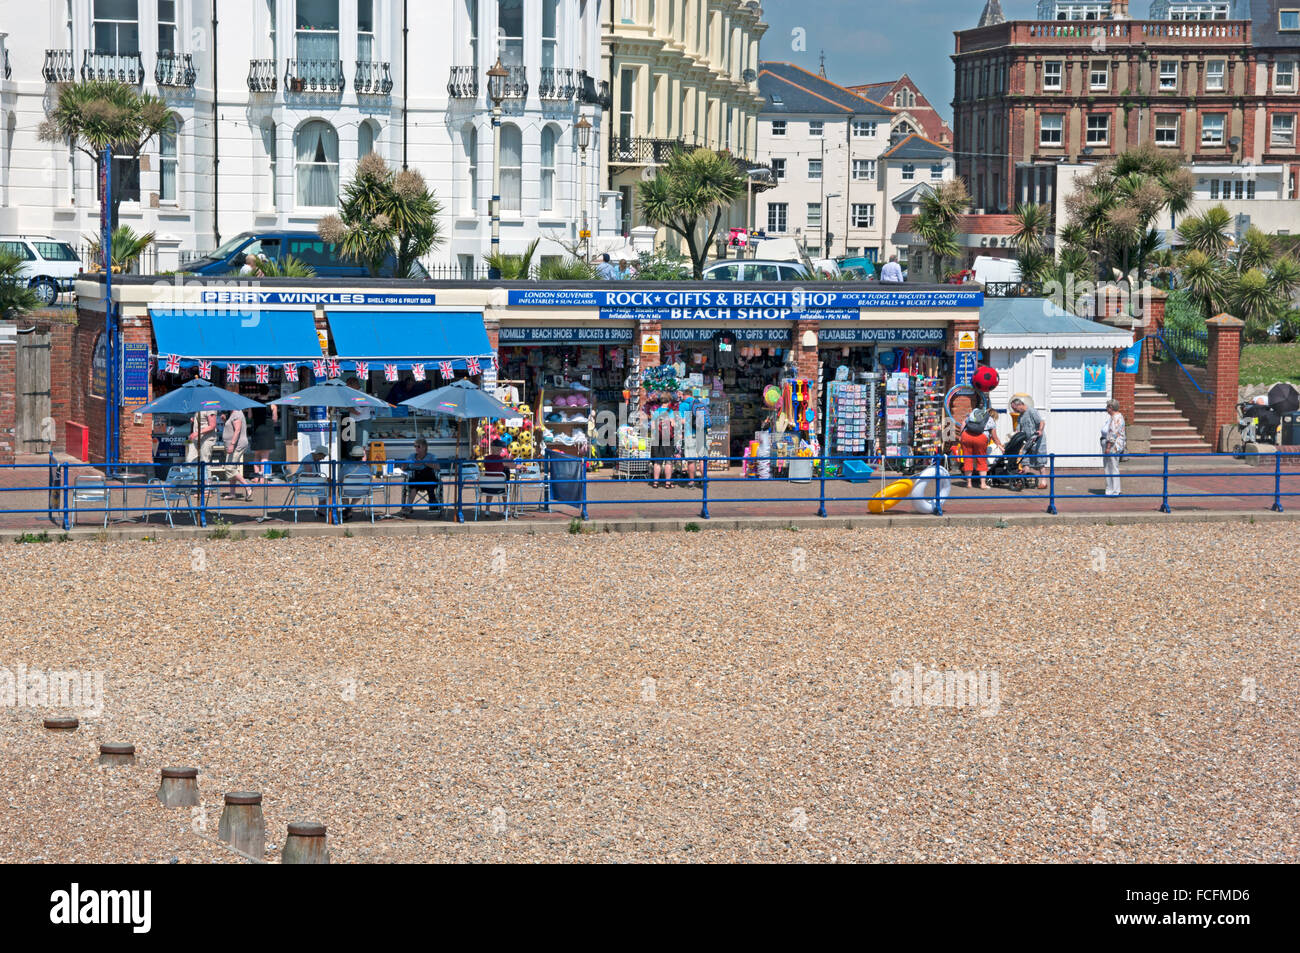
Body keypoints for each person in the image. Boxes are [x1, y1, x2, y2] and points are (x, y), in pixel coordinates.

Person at [957, 404, 1002, 489]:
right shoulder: (991, 419)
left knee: (968, 459)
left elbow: (963, 424)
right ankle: (982, 484)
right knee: (981, 460)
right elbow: (994, 436)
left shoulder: (973, 414)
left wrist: (961, 435)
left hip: (966, 436)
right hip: (981, 438)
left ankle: (969, 484)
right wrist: (1000, 445)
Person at [1010, 397, 1048, 490]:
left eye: (1015, 408)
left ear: (1020, 405)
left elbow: (1041, 421)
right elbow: (1018, 429)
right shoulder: (1020, 416)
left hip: (1038, 439)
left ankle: (1044, 482)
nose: (1014, 410)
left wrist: (1040, 430)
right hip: (1028, 440)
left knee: (1040, 461)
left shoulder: (1031, 411)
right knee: (1024, 459)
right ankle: (1025, 479)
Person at [401, 437, 441, 515]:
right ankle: (409, 507)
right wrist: (406, 464)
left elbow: (438, 467)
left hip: (428, 477)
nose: (416, 448)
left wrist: (425, 463)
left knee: (430, 483)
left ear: (424, 447)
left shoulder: (431, 456)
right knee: (413, 487)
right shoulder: (412, 456)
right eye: (415, 446)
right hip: (416, 477)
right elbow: (403, 467)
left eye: (418, 446)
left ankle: (433, 505)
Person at [222, 407, 253, 501]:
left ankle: (248, 487)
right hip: (234, 445)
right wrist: (224, 421)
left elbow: (237, 430)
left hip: (237, 445)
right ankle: (232, 493)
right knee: (232, 467)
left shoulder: (237, 414)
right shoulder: (232, 413)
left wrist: (232, 444)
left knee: (229, 467)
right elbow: (231, 429)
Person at [249, 386, 278, 482]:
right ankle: (264, 478)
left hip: (257, 429)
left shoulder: (253, 403)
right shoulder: (272, 405)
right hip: (268, 430)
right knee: (265, 456)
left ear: (259, 392)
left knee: (256, 455)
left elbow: (249, 416)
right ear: (268, 392)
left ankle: (256, 477)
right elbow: (275, 419)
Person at [1101, 398, 1126, 497]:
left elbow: (1113, 435)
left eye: (1107, 407)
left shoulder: (1116, 418)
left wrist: (1108, 447)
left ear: (1111, 408)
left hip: (1113, 446)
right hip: (1111, 445)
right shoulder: (1114, 417)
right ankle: (1111, 489)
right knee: (1109, 467)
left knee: (1111, 467)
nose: (1106, 408)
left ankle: (1114, 490)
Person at [649, 408, 678, 488]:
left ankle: (655, 483)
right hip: (668, 439)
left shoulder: (656, 411)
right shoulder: (671, 411)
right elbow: (673, 425)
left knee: (657, 462)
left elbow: (652, 426)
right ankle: (668, 483)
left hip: (657, 439)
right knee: (668, 461)